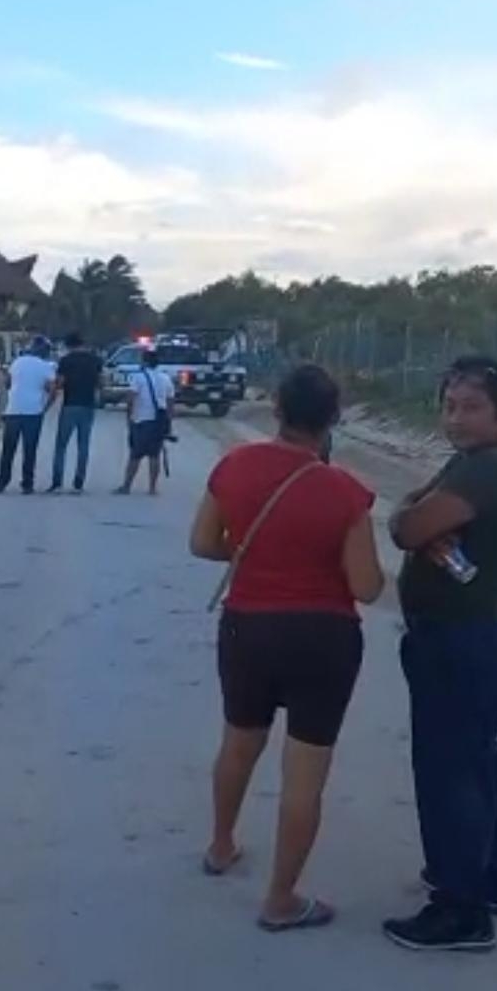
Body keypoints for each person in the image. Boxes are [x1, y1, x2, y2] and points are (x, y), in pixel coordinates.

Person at [190, 363, 383, 931]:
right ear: (333, 419)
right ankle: (280, 899)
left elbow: (204, 542)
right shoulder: (345, 492)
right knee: (305, 772)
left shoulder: (234, 469)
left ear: (276, 409)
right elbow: (367, 587)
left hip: (248, 628)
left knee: (238, 744)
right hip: (323, 638)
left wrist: (255, 551)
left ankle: (221, 845)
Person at [383, 356, 497, 952]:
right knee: (474, 760)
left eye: (471, 408)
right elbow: (413, 510)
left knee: (447, 770)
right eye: (449, 406)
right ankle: (488, 873)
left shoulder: (488, 469)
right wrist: (410, 515)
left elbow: (408, 526)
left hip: (460, 637)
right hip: (470, 631)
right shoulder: (474, 461)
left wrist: (406, 520)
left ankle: (459, 908)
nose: (457, 419)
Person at [0, 336, 56, 494]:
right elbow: (53, 390)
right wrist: (45, 407)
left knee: (8, 449)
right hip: (33, 412)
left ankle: (1, 482)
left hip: (13, 410)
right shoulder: (45, 367)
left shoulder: (17, 362)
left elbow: (7, 383)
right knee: (29, 450)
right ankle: (27, 484)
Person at [48, 333, 103, 493]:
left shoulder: (66, 361)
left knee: (61, 445)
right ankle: (79, 482)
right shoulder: (95, 360)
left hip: (70, 405)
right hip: (88, 405)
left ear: (69, 345)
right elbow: (101, 382)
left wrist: (51, 396)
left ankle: (57, 482)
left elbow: (59, 383)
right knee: (83, 445)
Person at [116, 346, 174, 495]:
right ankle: (152, 488)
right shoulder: (165, 378)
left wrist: (129, 417)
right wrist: (168, 422)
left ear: (144, 362)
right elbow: (170, 402)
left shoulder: (138, 377)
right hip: (158, 422)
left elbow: (131, 399)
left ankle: (126, 486)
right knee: (154, 455)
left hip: (141, 420)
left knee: (135, 455)